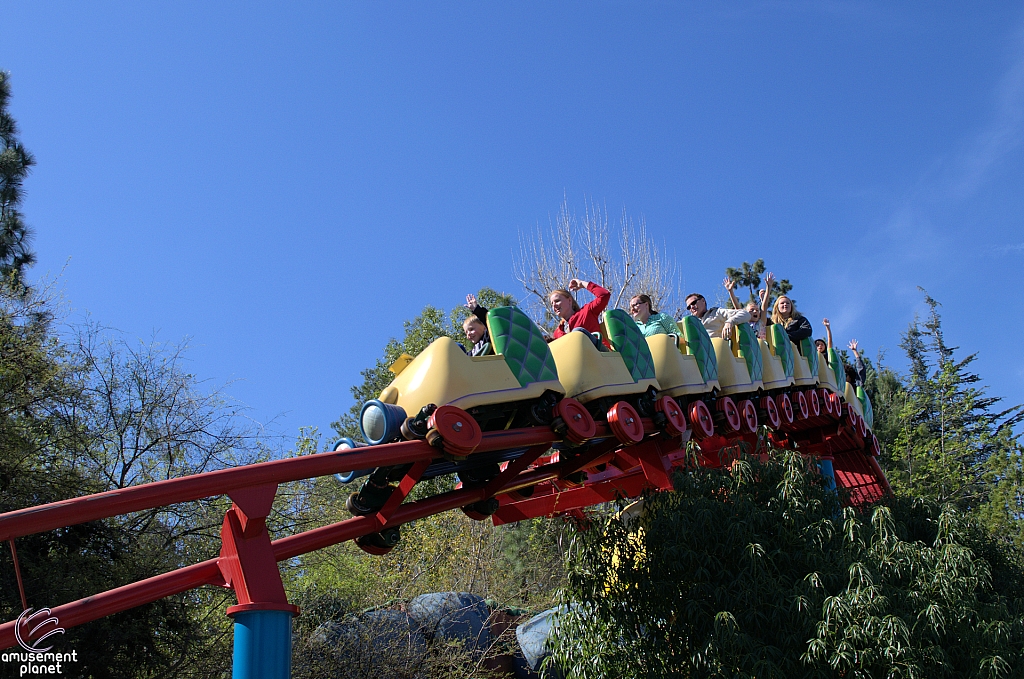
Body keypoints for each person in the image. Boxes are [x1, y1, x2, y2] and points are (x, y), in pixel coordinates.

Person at [685, 280, 751, 340]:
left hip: (717, 350)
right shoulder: (691, 324)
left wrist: (730, 322)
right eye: (689, 307)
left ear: (703, 301)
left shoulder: (716, 313)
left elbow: (745, 314)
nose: (692, 307)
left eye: (693, 303)